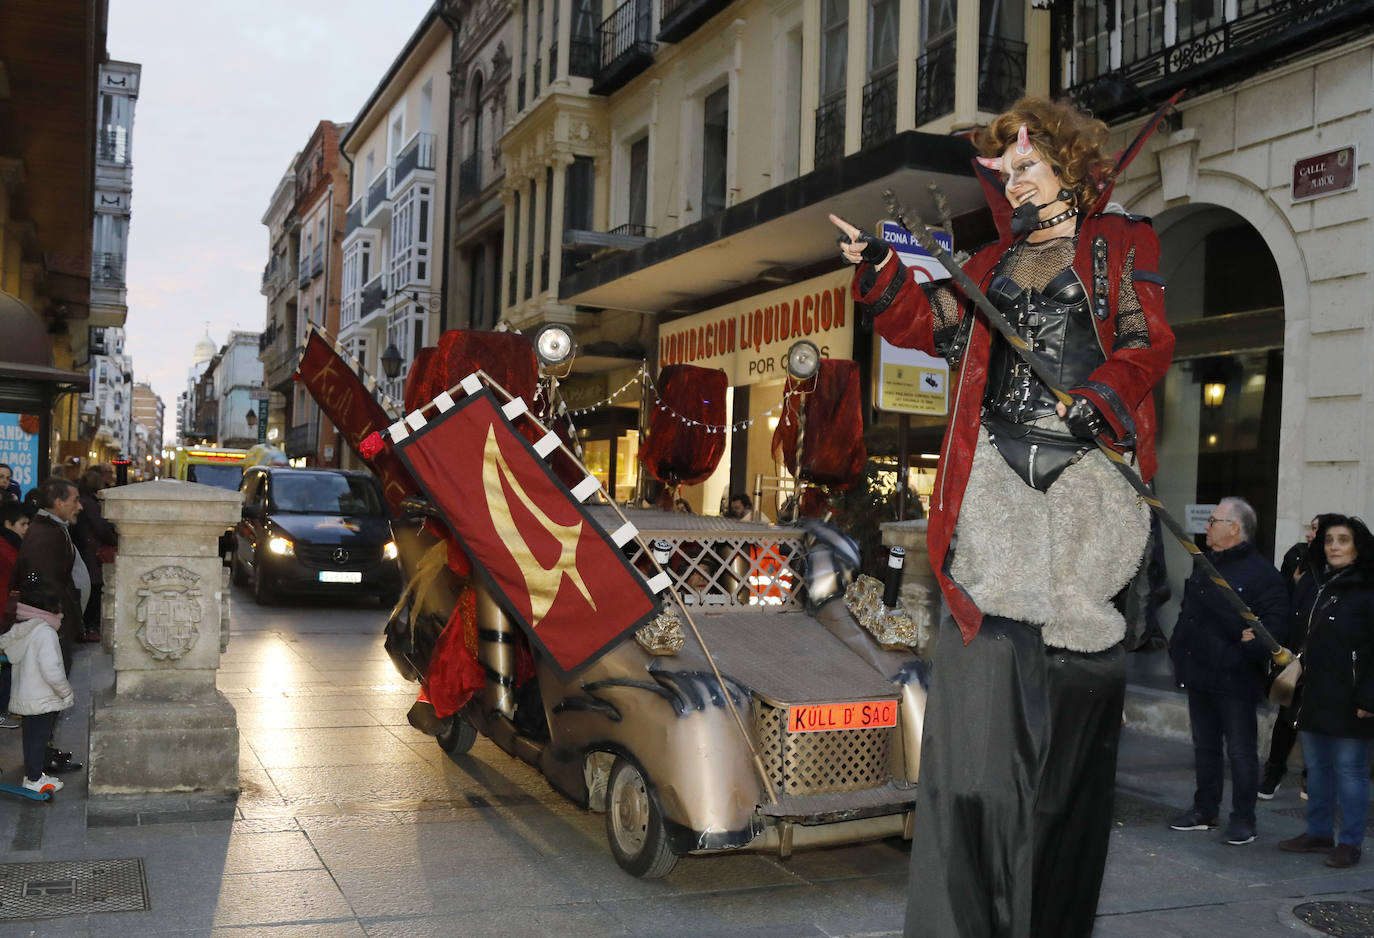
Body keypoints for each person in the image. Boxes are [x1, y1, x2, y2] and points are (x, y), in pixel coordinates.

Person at [832, 96, 1176, 937]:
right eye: (1006, 170)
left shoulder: (1122, 244)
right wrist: (881, 271)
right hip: (994, 480)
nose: (1013, 180)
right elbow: (933, 325)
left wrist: (1101, 397)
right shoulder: (985, 265)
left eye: (1027, 164)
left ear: (1067, 164)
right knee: (983, 739)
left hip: (1085, 481)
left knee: (1064, 719)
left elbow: (1148, 342)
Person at [1168, 497, 1289, 845]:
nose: (1207, 527)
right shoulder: (1205, 565)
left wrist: (1242, 649)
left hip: (1236, 678)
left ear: (1234, 528)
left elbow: (1273, 629)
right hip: (1200, 672)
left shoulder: (1263, 575)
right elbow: (1188, 613)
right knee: (1204, 747)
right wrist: (1179, 648)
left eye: (1214, 521)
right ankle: (1205, 810)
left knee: (1240, 750)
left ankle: (1243, 819)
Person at [1277, 514, 1374, 868]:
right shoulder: (1315, 582)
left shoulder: (1367, 587)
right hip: (1314, 693)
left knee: (1351, 770)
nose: (1334, 546)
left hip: (1352, 698)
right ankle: (1318, 832)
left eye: (1343, 540)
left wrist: (1369, 697)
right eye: (1330, 539)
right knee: (1316, 767)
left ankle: (1350, 842)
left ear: (1358, 546)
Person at [10, 476, 88, 774]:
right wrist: (52, 617)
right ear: (57, 502)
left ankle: (43, 754)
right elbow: (35, 578)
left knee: (44, 698)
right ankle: (38, 762)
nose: (79, 506)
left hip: (51, 623)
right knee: (42, 698)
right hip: (47, 626)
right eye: (74, 500)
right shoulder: (46, 534)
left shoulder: (52, 529)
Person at [1260, 513, 1328, 800]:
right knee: (1286, 715)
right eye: (1310, 528)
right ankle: (1274, 770)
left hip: (1320, 656)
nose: (1310, 534)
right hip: (1292, 650)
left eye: (1316, 529)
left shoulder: (1335, 571)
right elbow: (1281, 596)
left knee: (1315, 718)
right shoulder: (1297, 557)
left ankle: (1311, 777)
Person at [0, 577, 75, 794]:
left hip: (25, 697)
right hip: (42, 698)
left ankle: (33, 775)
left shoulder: (22, 629)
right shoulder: (45, 633)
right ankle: (34, 779)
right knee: (38, 739)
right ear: (51, 607)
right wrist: (65, 692)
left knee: (31, 737)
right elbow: (51, 670)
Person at [73, 466, 118, 640]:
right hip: (92, 552)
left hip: (86, 550)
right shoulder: (90, 503)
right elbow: (101, 528)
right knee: (94, 588)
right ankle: (89, 627)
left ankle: (87, 626)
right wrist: (114, 538)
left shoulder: (83, 501)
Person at [1, 499, 34, 729]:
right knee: (7, 662)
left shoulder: (11, 545)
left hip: (7, 611)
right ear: (8, 524)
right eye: (23, 524)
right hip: (4, 613)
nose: (26, 529)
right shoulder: (6, 548)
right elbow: (24, 575)